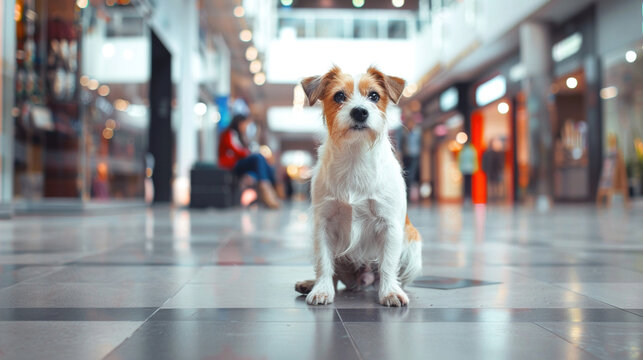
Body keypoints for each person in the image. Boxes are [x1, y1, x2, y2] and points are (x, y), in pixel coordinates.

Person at [218, 114, 280, 209]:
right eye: (245, 124)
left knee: (265, 164)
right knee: (258, 158)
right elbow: (236, 151)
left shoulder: (241, 136)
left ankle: (267, 187)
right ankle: (267, 189)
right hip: (232, 164)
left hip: (240, 164)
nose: (246, 126)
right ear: (239, 123)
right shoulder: (229, 134)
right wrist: (248, 152)